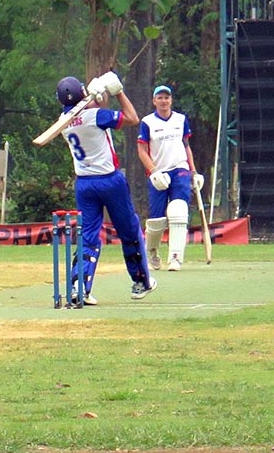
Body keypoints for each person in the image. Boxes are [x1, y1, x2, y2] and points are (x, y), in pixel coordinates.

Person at [56, 72, 157, 303]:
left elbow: (85, 111)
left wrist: (97, 95)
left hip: (84, 184)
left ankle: (78, 287)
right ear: (82, 92)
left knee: (88, 235)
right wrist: (118, 92)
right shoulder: (97, 116)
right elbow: (132, 118)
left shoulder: (63, 121)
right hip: (110, 180)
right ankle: (141, 282)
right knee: (129, 230)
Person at [136, 85, 204, 271]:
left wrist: (193, 171)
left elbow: (186, 146)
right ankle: (151, 251)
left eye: (167, 97)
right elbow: (142, 150)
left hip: (179, 169)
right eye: (160, 98)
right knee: (157, 219)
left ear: (171, 100)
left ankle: (175, 257)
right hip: (158, 172)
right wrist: (153, 171)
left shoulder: (180, 119)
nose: (164, 101)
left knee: (179, 210)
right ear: (154, 101)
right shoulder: (148, 122)